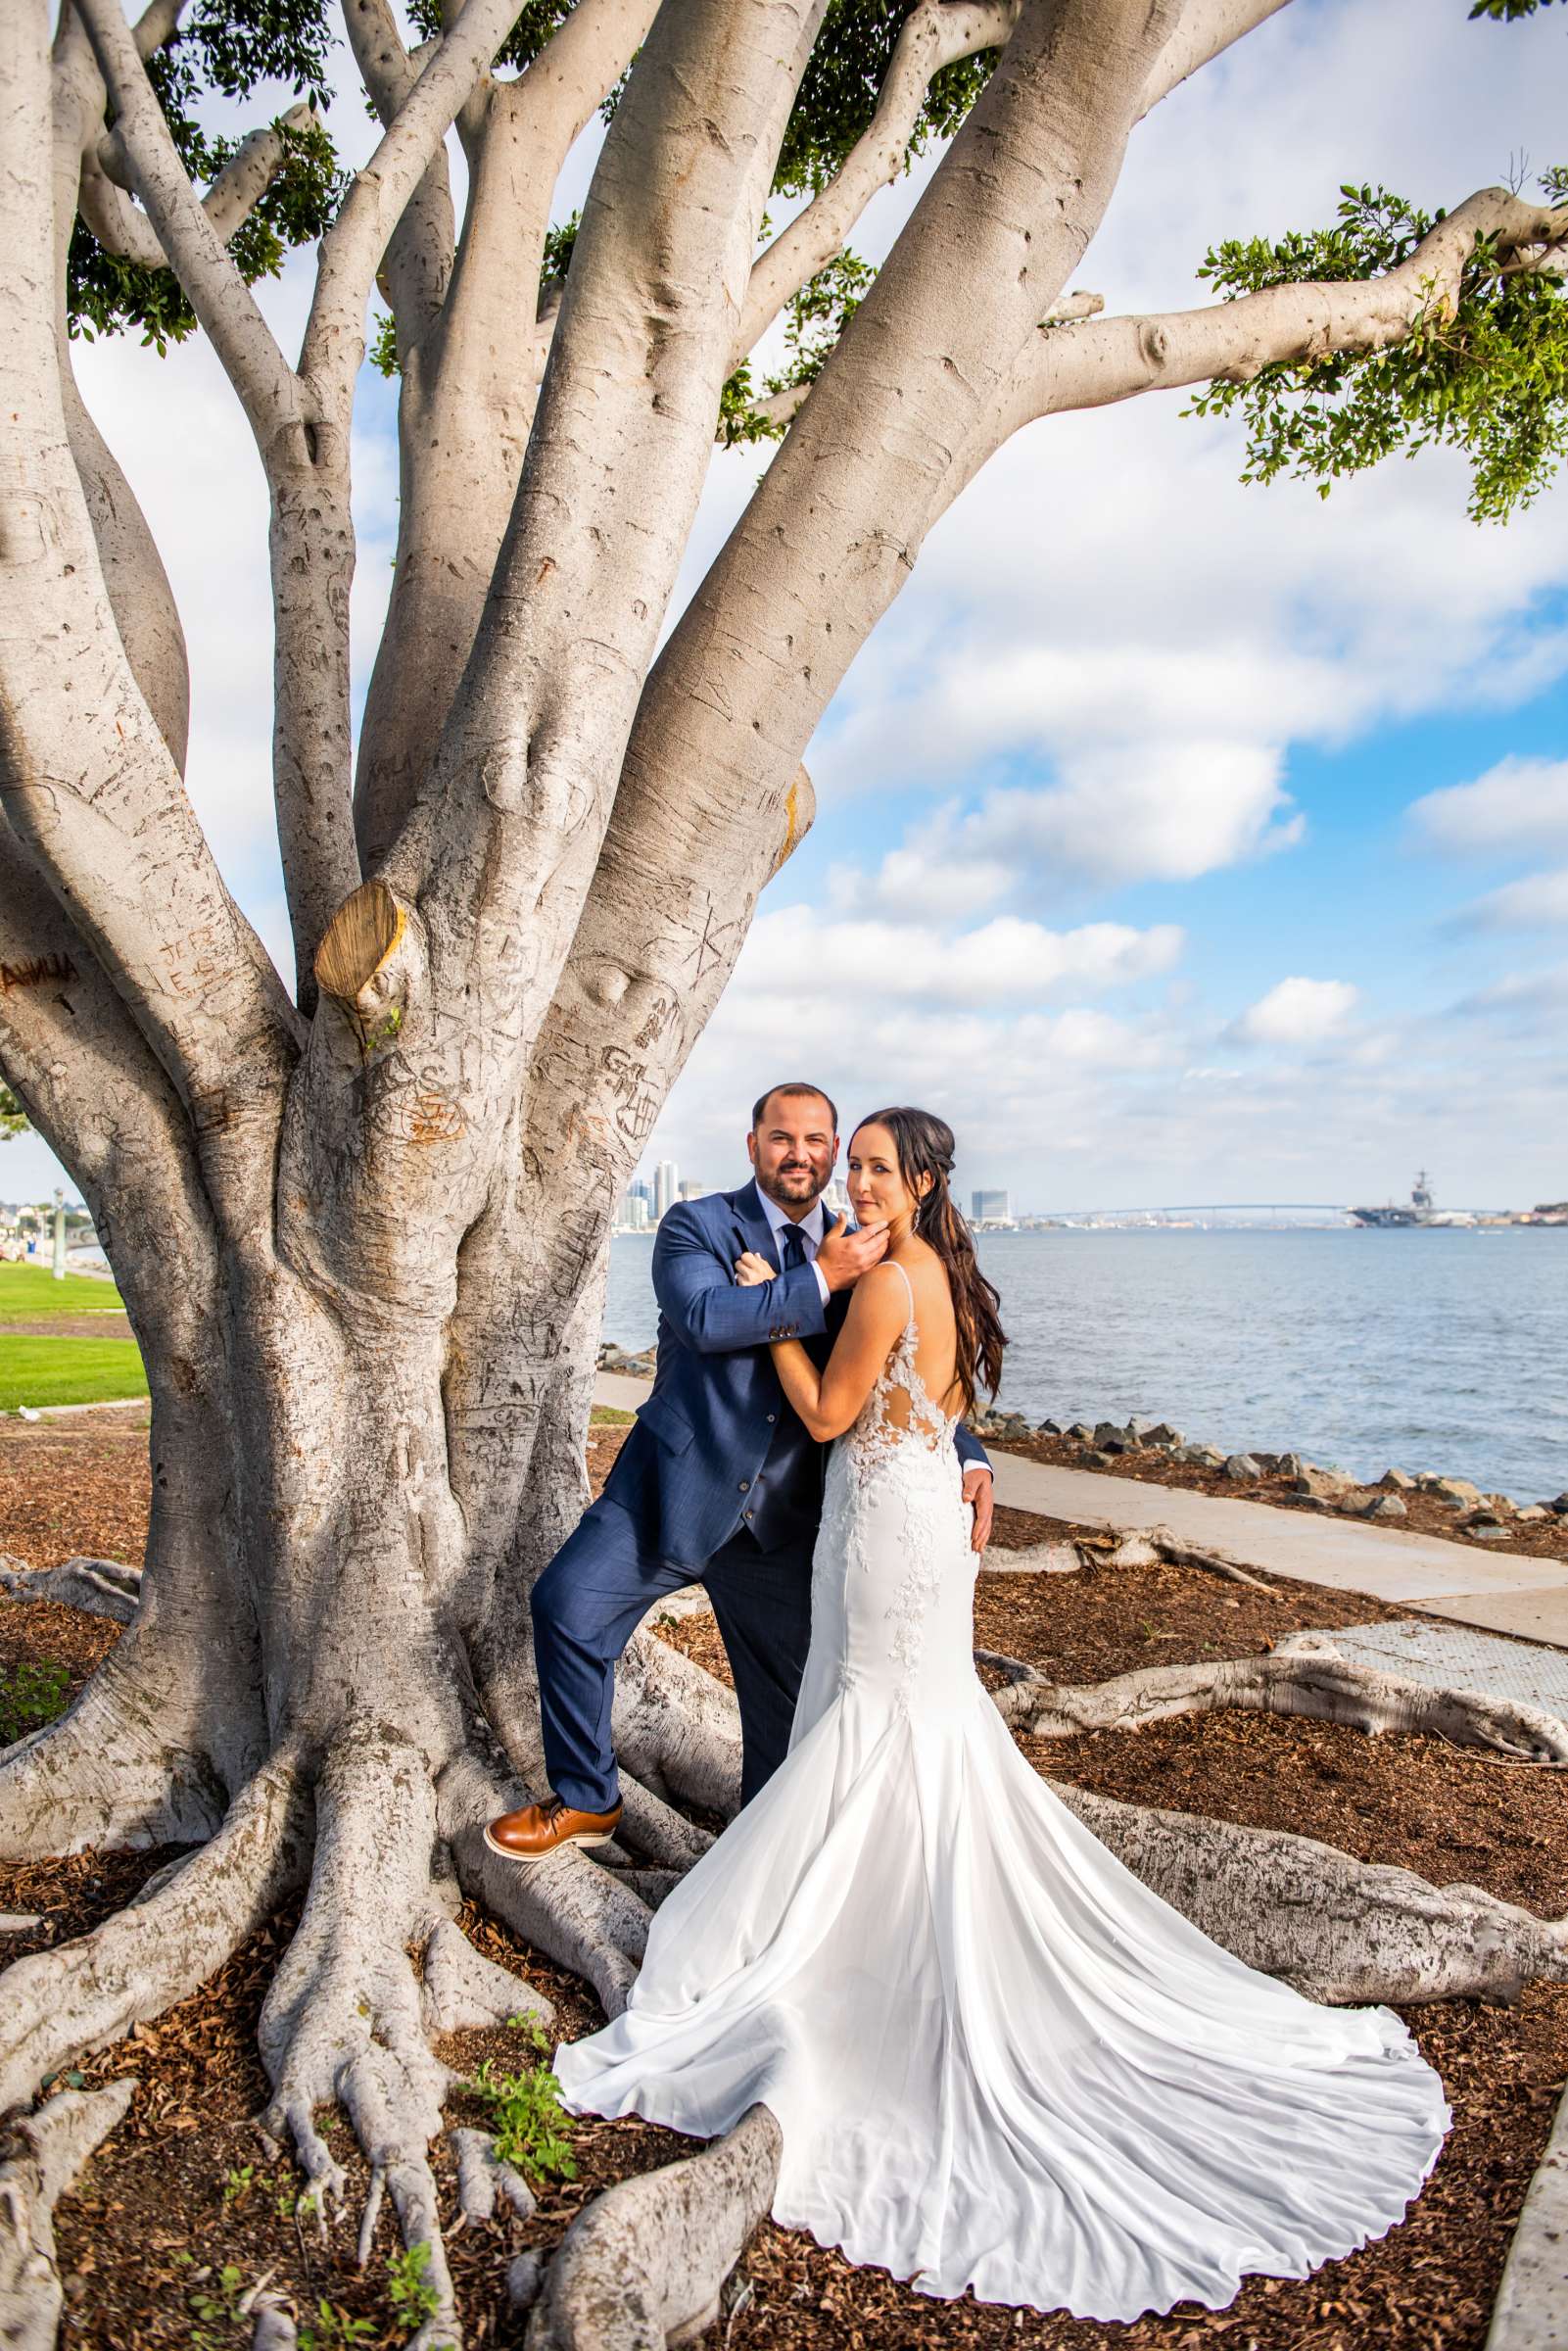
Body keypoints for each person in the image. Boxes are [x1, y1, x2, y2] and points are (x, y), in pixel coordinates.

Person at [552, 1105, 1449, 2320]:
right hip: (907, 1517)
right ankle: (846, 1902)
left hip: (882, 1530)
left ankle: (842, 1943)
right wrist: (919, 1408)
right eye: (843, 1162)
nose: (852, 1179)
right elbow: (922, 1388)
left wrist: (788, 1306)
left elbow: (824, 1414)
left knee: (872, 1720)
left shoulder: (879, 1277)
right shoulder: (935, 1274)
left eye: (872, 1165)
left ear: (916, 1179)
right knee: (900, 1722)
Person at [485, 1082, 994, 1860]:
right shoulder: (696, 1225)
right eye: (782, 1138)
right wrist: (817, 1280)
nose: (803, 1155)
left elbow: (912, 1364)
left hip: (787, 1523)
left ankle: (758, 1869)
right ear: (752, 1145)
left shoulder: (872, 1243)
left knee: (789, 1719)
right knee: (564, 1605)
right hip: (672, 1492)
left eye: (819, 1142)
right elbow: (703, 1319)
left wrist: (964, 1452)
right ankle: (588, 1798)